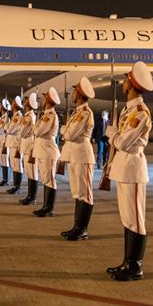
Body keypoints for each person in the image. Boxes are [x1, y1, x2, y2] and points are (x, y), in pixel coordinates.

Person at [106, 62, 153, 280]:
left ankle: (135, 266)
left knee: (135, 218)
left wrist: (112, 135)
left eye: (127, 79)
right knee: (127, 218)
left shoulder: (141, 112)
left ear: (132, 84)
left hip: (133, 167)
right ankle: (127, 262)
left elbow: (124, 142)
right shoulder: (129, 110)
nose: (124, 83)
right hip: (124, 167)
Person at [60, 77, 96, 241]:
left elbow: (69, 134)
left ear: (79, 94)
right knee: (77, 192)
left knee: (85, 193)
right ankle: (76, 226)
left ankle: (83, 229)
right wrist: (66, 131)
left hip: (82, 155)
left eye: (75, 90)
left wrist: (64, 130)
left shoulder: (85, 113)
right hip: (74, 155)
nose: (72, 93)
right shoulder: (77, 113)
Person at [33, 87, 61, 217]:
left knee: (49, 180)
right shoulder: (45, 115)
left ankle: (49, 208)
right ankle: (45, 206)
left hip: (48, 151)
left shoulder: (50, 115)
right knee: (45, 179)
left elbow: (37, 131)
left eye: (44, 97)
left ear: (48, 100)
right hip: (43, 150)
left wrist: (36, 128)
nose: (42, 99)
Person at [18, 93, 40, 205]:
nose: (24, 102)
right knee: (29, 172)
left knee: (33, 172)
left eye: (25, 100)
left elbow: (22, 132)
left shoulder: (30, 116)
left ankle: (33, 197)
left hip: (30, 146)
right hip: (26, 145)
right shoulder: (26, 115)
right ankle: (30, 195)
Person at [5, 97, 25, 194]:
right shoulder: (14, 116)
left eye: (12, 103)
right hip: (12, 142)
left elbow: (10, 130)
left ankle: (18, 187)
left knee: (17, 165)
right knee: (14, 165)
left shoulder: (18, 117)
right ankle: (15, 186)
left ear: (16, 105)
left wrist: (8, 128)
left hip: (15, 143)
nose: (11, 104)